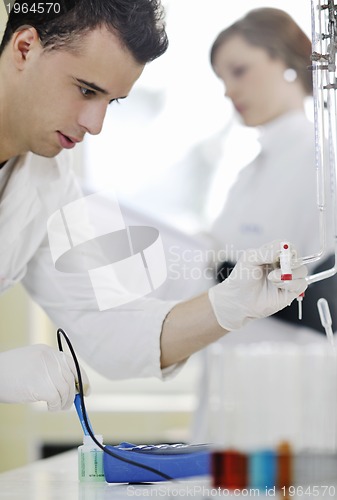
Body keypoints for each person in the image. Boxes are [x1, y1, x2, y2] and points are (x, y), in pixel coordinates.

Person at [0, 0, 307, 413]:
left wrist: (226, 305)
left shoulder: (49, 179)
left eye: (111, 102)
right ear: (24, 47)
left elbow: (105, 323)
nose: (96, 124)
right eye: (86, 90)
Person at [191, 7, 336, 442]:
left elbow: (323, 296)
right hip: (230, 392)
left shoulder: (323, 164)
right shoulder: (246, 174)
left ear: (285, 61)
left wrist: (229, 273)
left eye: (239, 71)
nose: (229, 91)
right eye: (222, 80)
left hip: (290, 407)